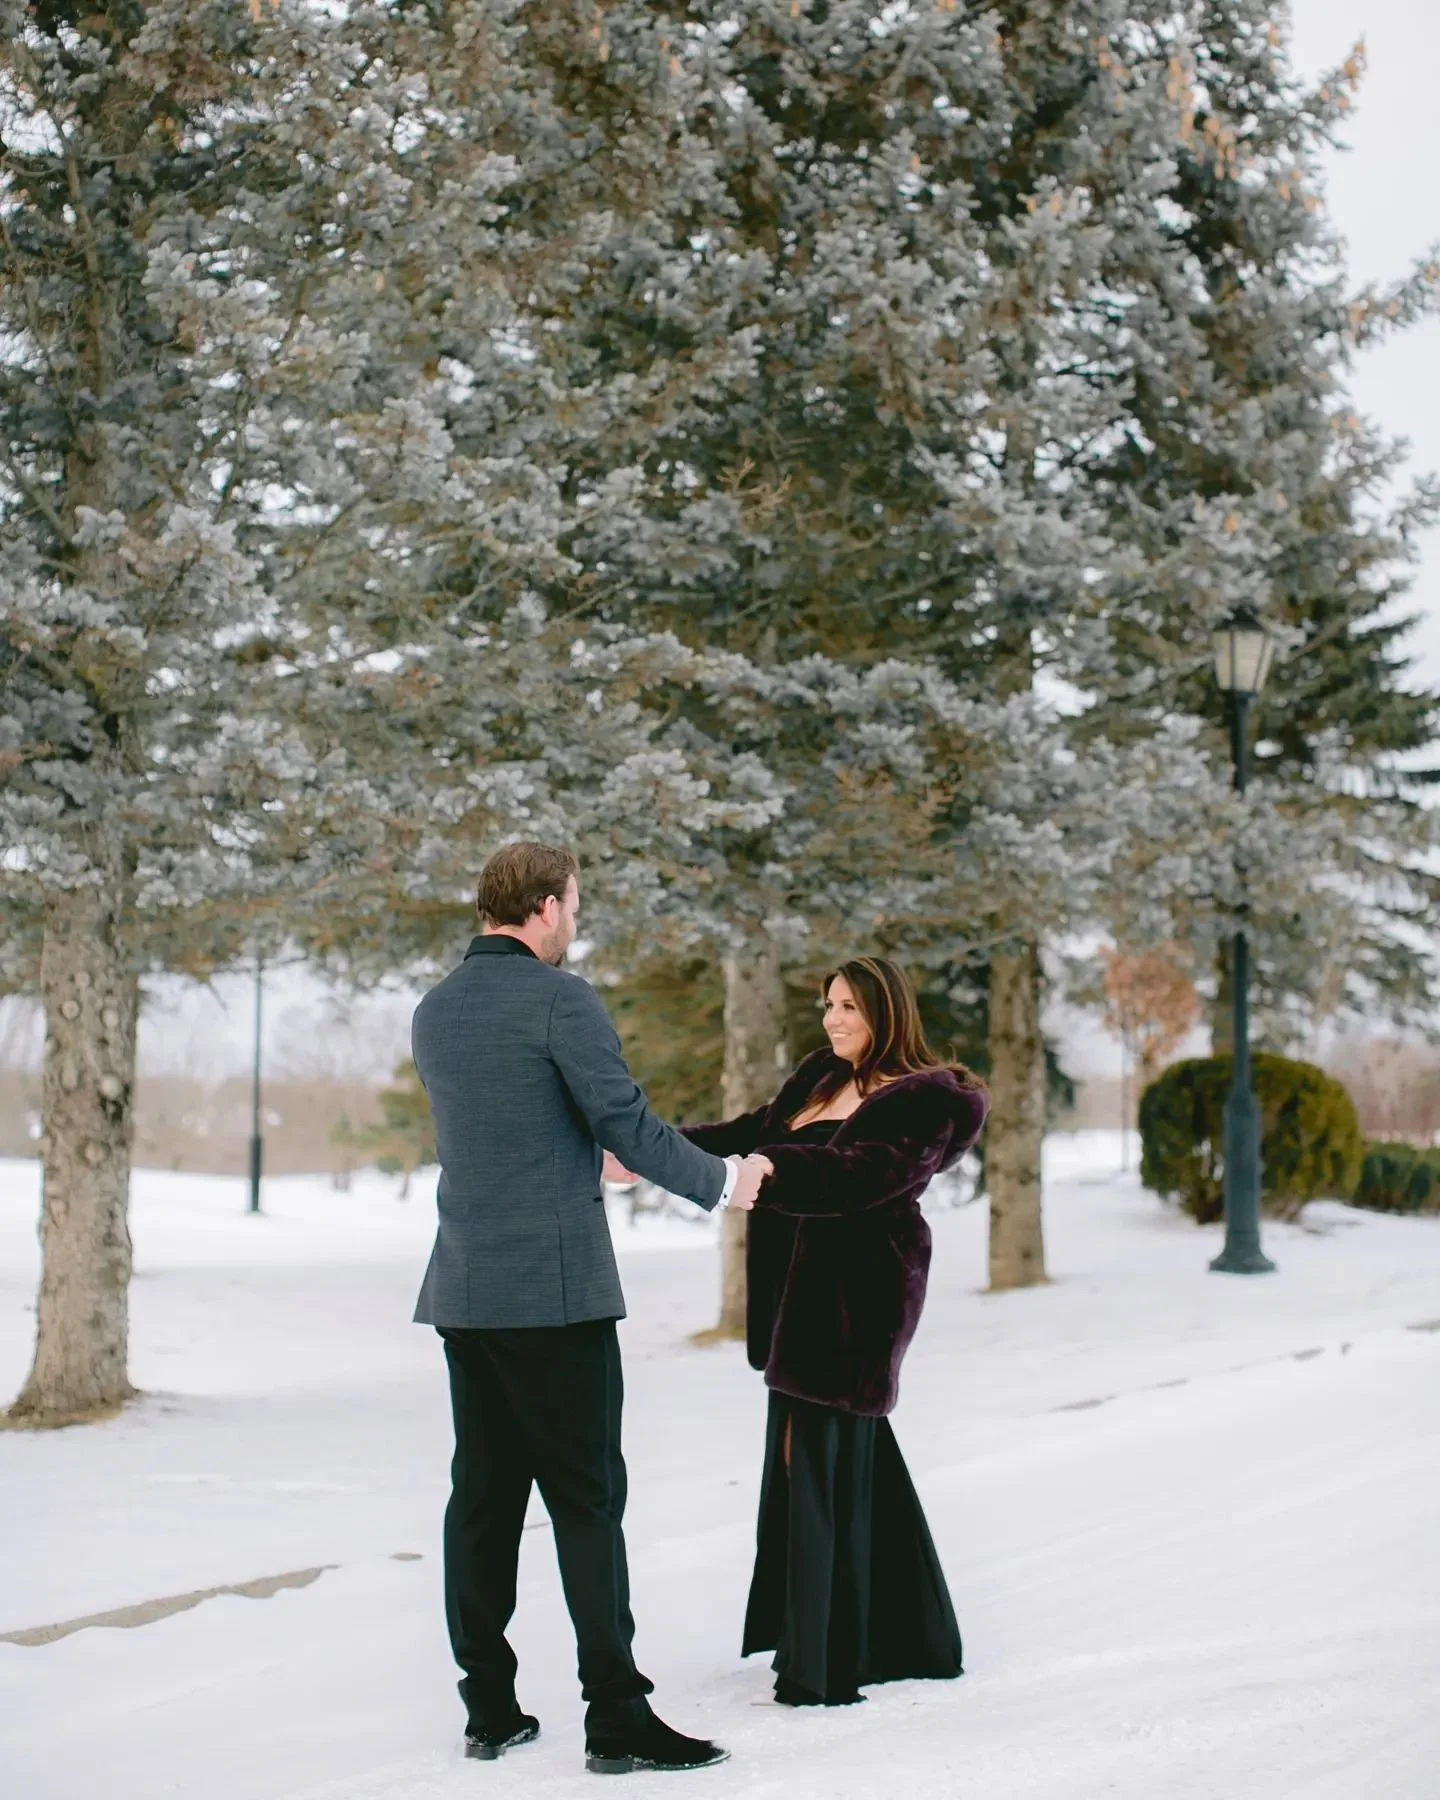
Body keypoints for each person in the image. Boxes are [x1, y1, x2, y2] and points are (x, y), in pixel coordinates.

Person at [410, 841, 770, 1774]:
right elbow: (627, 1123)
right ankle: (616, 1716)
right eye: (572, 903)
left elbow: (514, 1128)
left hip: (466, 1292)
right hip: (556, 1299)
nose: (574, 919)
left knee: (482, 1500)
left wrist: (578, 1154)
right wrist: (725, 1183)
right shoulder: (560, 999)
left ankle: (488, 1708)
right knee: (586, 1502)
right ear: (542, 907)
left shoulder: (436, 1009)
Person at [681, 957, 988, 1708]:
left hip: (856, 1297)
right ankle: (909, 1634)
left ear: (888, 1010)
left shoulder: (926, 1099)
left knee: (813, 1464)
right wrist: (655, 1150)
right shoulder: (822, 1076)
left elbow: (861, 1174)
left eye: (850, 1006)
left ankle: (823, 1663)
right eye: (828, 1006)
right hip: (793, 1296)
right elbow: (748, 1134)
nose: (834, 1019)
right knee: (842, 1463)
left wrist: (769, 1171)